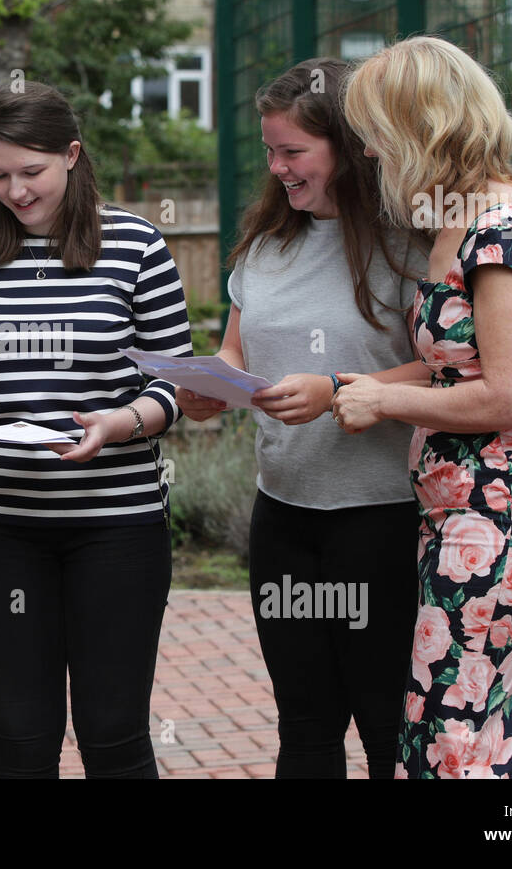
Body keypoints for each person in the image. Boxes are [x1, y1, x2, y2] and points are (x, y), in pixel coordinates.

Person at [0, 81, 192, 779]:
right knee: (19, 739)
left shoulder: (135, 244)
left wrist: (122, 422)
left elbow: (175, 385)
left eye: (32, 171)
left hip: (118, 527)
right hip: (2, 528)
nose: (15, 190)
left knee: (112, 737)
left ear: (72, 156)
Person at [177, 57, 430, 778]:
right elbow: (235, 351)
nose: (278, 167)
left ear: (348, 149)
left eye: (294, 152)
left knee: (388, 724)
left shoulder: (409, 245)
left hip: (380, 518)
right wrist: (206, 388)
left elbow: (446, 367)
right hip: (284, 516)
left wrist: (339, 387)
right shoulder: (264, 244)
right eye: (270, 151)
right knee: (306, 727)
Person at [335, 36, 512, 779]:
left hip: (501, 512)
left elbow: (510, 392)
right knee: (485, 730)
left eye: (376, 131)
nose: (370, 152)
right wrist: (352, 387)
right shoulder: (464, 219)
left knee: (455, 737)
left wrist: (385, 402)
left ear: (423, 126)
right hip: (470, 511)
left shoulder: (503, 233)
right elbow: (456, 366)